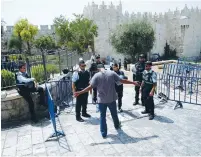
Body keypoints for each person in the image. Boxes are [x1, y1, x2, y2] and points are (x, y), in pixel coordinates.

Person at [74, 63, 139, 138]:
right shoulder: (112, 73)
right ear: (104, 68)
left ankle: (104, 133)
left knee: (102, 117)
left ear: (98, 69)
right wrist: (133, 82)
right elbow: (122, 81)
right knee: (114, 114)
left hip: (102, 101)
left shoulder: (96, 76)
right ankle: (117, 126)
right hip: (111, 99)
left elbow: (90, 87)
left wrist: (79, 92)